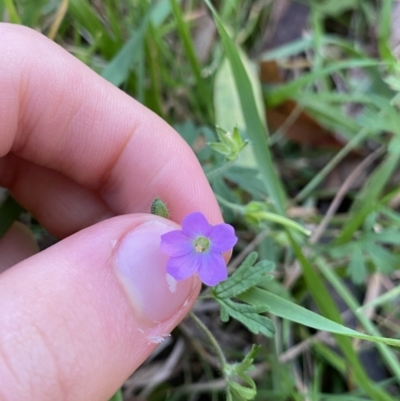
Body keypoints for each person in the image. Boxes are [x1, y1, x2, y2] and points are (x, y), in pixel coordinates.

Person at [0, 24, 225, 400]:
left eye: (203, 242)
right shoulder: (180, 239)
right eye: (200, 240)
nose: (202, 242)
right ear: (196, 234)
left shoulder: (204, 246)